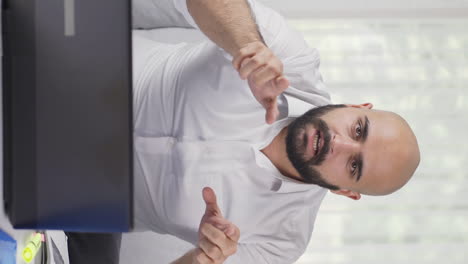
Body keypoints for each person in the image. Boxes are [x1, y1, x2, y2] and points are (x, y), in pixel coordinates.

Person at [128, 0, 421, 263]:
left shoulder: (282, 243)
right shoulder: (293, 61)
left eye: (354, 165)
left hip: (89, 194)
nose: (339, 143)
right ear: (357, 106)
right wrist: (246, 46)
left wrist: (202, 258)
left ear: (345, 191)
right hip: (93, 64)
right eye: (358, 129)